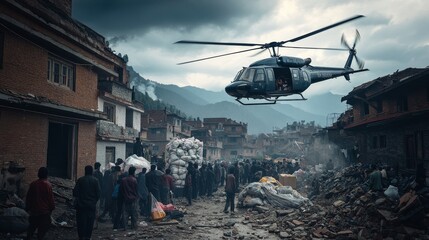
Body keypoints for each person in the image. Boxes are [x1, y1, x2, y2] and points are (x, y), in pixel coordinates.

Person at [26, 167, 55, 240]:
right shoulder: (48, 185)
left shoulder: (33, 184)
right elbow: (50, 199)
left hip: (34, 211)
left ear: (38, 174)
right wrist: (52, 208)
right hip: (44, 213)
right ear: (46, 175)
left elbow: (28, 197)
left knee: (31, 230)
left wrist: (28, 208)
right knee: (41, 234)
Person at [73, 165, 101, 240]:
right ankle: (88, 237)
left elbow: (75, 193)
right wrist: (94, 201)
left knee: (81, 222)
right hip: (91, 205)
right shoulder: (95, 180)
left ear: (85, 171)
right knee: (90, 222)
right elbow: (98, 194)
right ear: (91, 171)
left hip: (81, 206)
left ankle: (81, 237)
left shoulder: (80, 180)